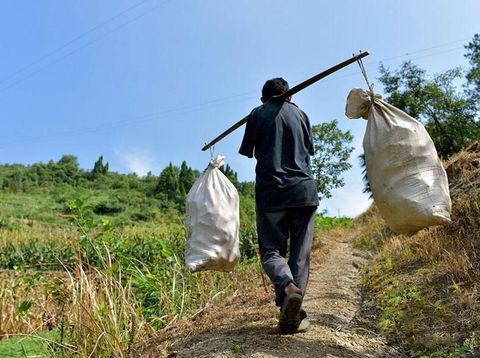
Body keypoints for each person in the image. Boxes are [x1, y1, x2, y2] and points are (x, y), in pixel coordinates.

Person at [239, 77, 318, 334]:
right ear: (290, 96)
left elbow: (248, 150)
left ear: (263, 99)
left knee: (271, 251)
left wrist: (257, 118)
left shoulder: (257, 114)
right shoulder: (302, 115)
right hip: (303, 192)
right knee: (300, 254)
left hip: (271, 193)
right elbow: (309, 149)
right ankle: (295, 310)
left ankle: (286, 287)